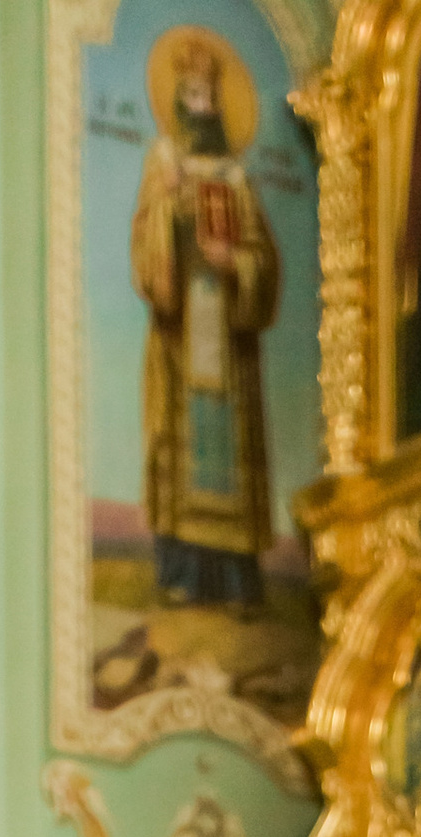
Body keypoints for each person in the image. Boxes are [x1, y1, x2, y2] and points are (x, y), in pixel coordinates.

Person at [133, 28, 279, 612]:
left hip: (228, 337)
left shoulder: (237, 178)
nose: (204, 106)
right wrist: (170, 204)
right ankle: (182, 575)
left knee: (229, 454)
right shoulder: (163, 163)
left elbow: (264, 258)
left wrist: (235, 263)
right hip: (180, 335)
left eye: (211, 97)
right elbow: (145, 247)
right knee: (179, 444)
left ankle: (239, 583)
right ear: (177, 101)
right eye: (193, 95)